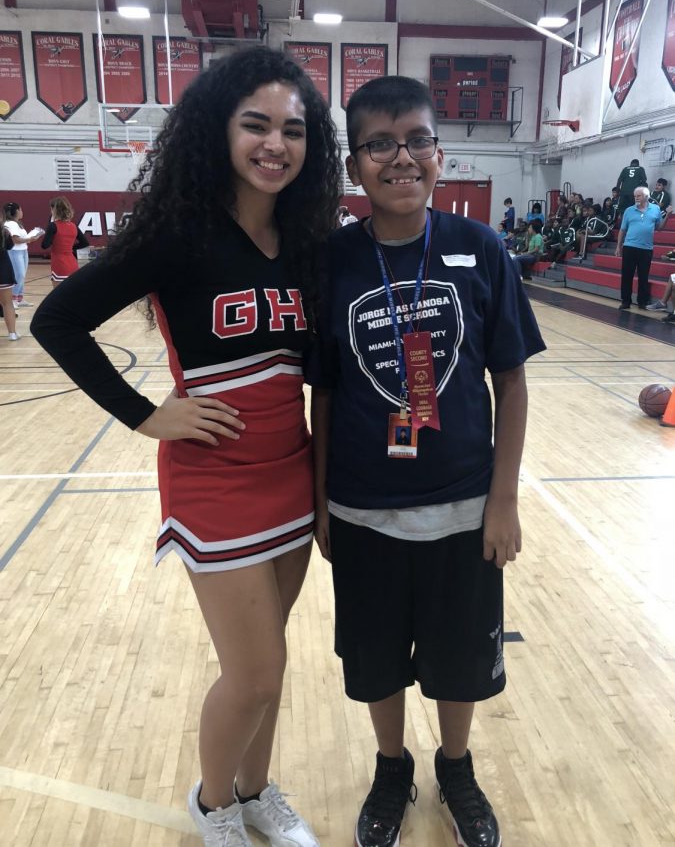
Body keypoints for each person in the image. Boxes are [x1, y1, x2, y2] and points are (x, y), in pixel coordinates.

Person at [30, 46, 342, 847]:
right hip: (215, 481)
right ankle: (214, 805)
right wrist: (143, 414)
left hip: (291, 473)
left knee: (267, 674)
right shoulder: (177, 233)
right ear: (217, 129)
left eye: (294, 130)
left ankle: (257, 790)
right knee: (256, 672)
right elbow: (55, 320)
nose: (276, 144)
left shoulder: (308, 239)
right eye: (256, 125)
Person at [309, 75, 545, 847]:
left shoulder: (480, 249)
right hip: (361, 505)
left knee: (459, 658)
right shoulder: (332, 261)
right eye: (378, 142)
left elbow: (509, 382)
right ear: (354, 166)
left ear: (439, 154)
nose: (399, 156)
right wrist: (319, 503)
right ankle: (389, 766)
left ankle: (454, 765)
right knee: (375, 659)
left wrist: (502, 502)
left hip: (464, 504)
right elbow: (324, 393)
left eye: (414, 138)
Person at [615, 186, 672, 310]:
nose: (636, 198)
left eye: (638, 196)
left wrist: (668, 215)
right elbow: (622, 230)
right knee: (626, 275)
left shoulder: (655, 209)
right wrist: (618, 246)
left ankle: (642, 302)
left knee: (643, 276)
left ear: (646, 197)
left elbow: (660, 227)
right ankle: (626, 301)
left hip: (646, 249)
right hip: (629, 247)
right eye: (635, 196)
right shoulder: (629, 210)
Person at [41, 196, 90, 287]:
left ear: (54, 210)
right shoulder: (74, 226)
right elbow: (85, 243)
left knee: (58, 297)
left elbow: (44, 245)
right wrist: (70, 248)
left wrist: (49, 233)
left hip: (59, 264)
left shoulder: (53, 226)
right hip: (73, 264)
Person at [3, 201, 43, 308]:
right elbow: (15, 239)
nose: (22, 212)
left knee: (22, 275)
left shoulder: (17, 224)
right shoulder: (10, 224)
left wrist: (29, 238)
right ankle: (13, 298)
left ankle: (19, 298)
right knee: (19, 275)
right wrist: (29, 239)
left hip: (23, 251)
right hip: (15, 252)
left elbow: (20, 239)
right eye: (20, 209)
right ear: (16, 211)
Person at [0, 205, 19, 340]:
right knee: (7, 303)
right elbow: (10, 246)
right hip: (3, 271)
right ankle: (12, 333)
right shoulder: (4, 232)